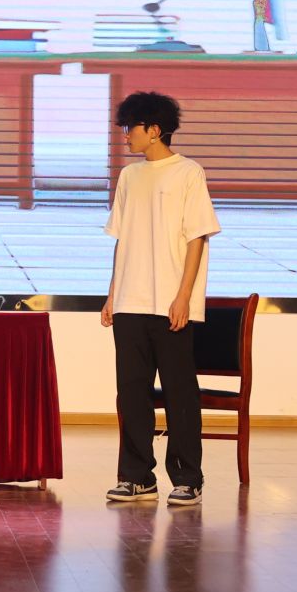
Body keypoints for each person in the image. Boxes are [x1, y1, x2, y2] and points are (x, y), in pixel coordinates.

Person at [101, 91, 221, 507]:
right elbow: (121, 239)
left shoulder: (188, 172)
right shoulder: (129, 177)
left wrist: (184, 296)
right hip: (129, 302)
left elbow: (197, 237)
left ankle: (188, 478)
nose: (125, 135)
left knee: (179, 393)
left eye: (130, 127)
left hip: (171, 303)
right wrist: (112, 294)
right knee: (132, 393)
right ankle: (137, 478)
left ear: (154, 130)